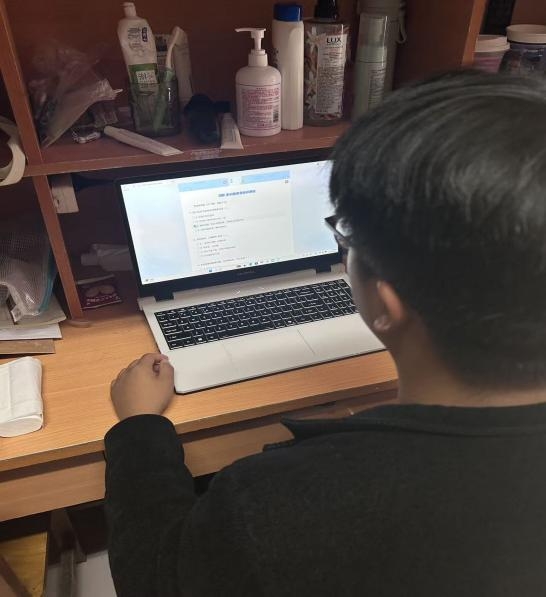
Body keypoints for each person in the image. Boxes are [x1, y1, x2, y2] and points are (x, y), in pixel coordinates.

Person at [104, 71, 546, 597]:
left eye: (346, 236)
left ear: (387, 301)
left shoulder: (270, 504)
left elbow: (153, 577)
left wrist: (139, 427)